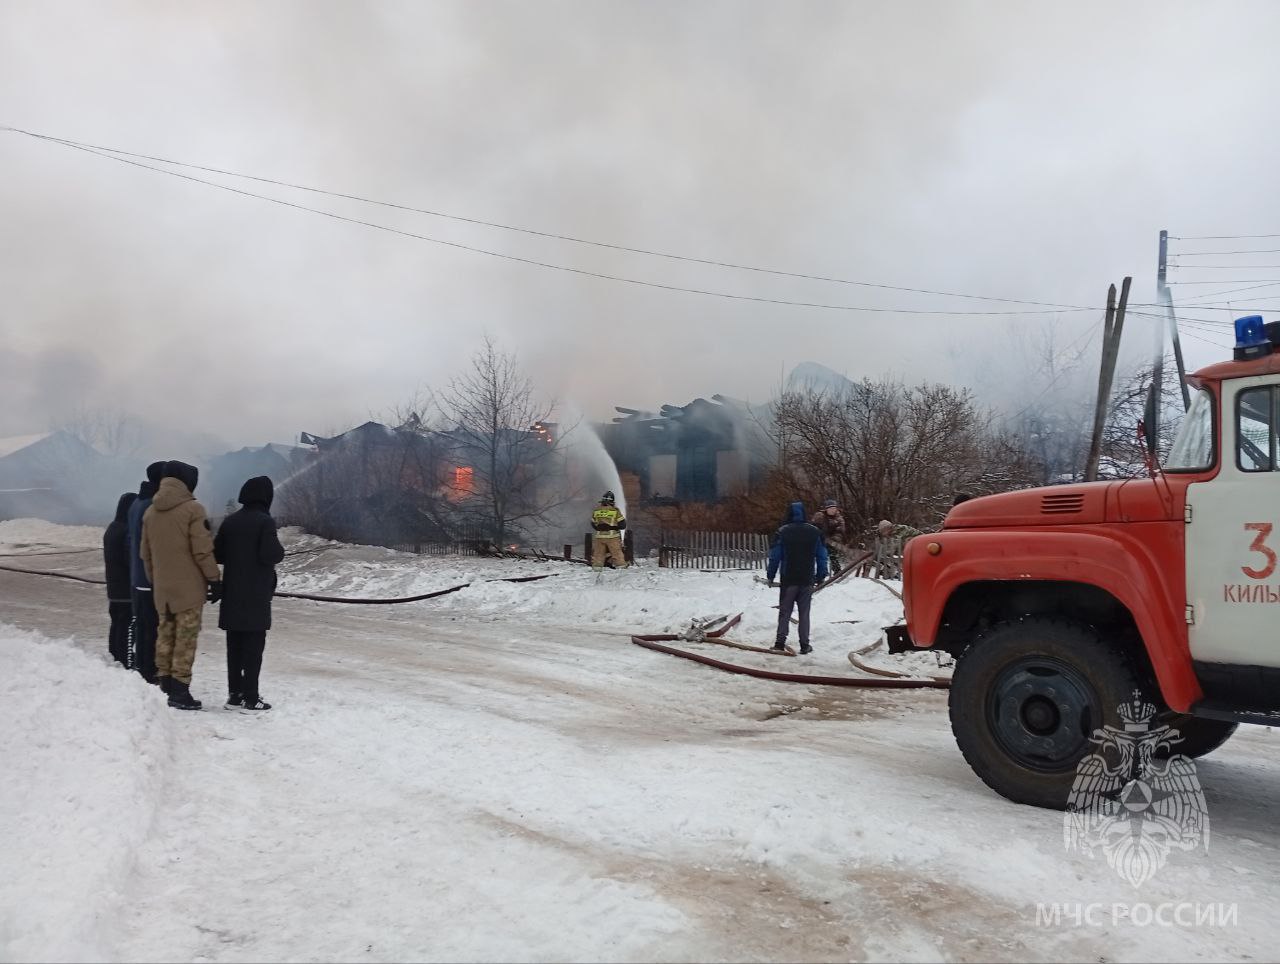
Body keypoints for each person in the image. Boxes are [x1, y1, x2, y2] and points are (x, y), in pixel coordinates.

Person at [141, 461, 221, 710]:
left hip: (162, 590)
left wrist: (157, 581)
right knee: (186, 638)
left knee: (165, 634)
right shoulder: (193, 509)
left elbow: (146, 555)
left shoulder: (150, 513)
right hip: (189, 590)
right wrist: (214, 579)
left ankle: (164, 683)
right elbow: (202, 550)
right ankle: (180, 690)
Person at [214, 476, 285, 712]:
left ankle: (234, 695)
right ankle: (251, 697)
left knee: (234, 647)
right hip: (256, 597)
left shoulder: (230, 522)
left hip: (232, 594)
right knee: (253, 650)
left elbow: (218, 555)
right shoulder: (265, 522)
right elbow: (271, 555)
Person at [766, 501, 829, 655]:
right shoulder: (815, 532)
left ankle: (780, 643)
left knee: (785, 612)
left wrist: (770, 575)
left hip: (789, 580)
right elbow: (822, 556)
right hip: (807, 580)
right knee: (804, 613)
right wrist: (820, 575)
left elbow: (775, 557)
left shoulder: (783, 532)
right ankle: (804, 644)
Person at [126, 461, 166, 681]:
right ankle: (148, 670)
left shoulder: (136, 502)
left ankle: (141, 666)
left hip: (136, 575)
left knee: (142, 624)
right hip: (149, 576)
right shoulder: (152, 505)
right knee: (150, 626)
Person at [103, 492, 137, 666]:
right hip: (126, 589)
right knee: (127, 626)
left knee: (116, 623)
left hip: (114, 587)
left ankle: (114, 656)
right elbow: (129, 559)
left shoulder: (112, 528)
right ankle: (124, 660)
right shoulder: (126, 531)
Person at [591, 491, 628, 570]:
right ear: (612, 502)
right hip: (612, 537)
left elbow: (593, 523)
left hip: (599, 537)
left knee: (598, 554)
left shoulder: (596, 510)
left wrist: (600, 528)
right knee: (617, 553)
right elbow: (622, 525)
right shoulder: (615, 511)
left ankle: (597, 568)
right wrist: (615, 527)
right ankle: (620, 567)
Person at [810, 499, 848, 573]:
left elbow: (840, 531)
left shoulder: (838, 518)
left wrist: (831, 540)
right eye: (830, 508)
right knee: (818, 554)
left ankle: (837, 570)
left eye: (834, 508)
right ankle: (821, 571)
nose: (833, 510)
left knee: (832, 553)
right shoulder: (820, 516)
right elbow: (813, 528)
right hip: (819, 539)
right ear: (826, 509)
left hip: (832, 541)